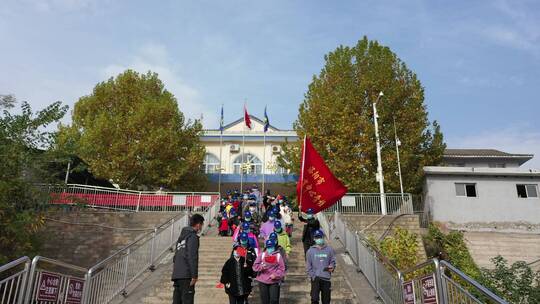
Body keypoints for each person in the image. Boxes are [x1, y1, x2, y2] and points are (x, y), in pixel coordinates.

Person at [171, 213, 204, 304]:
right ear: (198, 225)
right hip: (186, 275)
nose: (201, 227)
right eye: (201, 225)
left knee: (177, 301)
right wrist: (194, 275)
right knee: (187, 300)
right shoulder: (193, 237)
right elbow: (192, 256)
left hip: (177, 275)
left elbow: (175, 257)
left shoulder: (181, 237)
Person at [306, 229, 336, 304]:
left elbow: (333, 262)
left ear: (323, 237)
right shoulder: (310, 251)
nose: (318, 239)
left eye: (320, 237)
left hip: (326, 278)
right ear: (314, 239)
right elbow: (308, 266)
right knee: (314, 299)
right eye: (317, 237)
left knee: (326, 301)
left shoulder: (329, 250)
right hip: (315, 278)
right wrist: (313, 276)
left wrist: (332, 267)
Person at [253, 239, 286, 304]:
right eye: (268, 247)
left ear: (274, 246)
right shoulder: (262, 255)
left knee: (274, 300)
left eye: (271, 247)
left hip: (274, 281)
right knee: (265, 301)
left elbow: (282, 269)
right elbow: (254, 266)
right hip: (262, 281)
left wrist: (276, 275)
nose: (270, 248)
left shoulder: (278, 256)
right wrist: (261, 267)